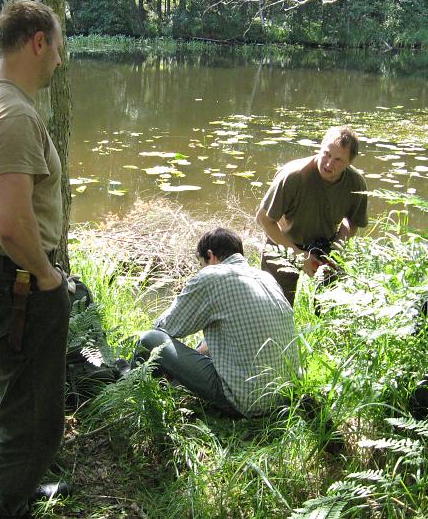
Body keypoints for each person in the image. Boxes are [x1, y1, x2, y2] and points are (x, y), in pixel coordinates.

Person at [0, 0, 70, 519]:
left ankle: (11, 489)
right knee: (34, 412)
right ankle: (5, 507)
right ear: (39, 42)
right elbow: (11, 222)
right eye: (59, 49)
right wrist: (46, 276)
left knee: (12, 392)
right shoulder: (14, 115)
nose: (59, 62)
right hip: (17, 280)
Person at [135, 228, 299, 417]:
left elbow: (165, 327)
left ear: (210, 255)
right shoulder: (266, 277)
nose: (200, 269)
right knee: (204, 344)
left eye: (200, 263)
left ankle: (129, 382)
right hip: (287, 396)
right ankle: (169, 383)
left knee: (151, 338)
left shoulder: (212, 275)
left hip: (248, 401)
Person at [256, 125, 368, 305]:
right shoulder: (293, 176)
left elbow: (353, 221)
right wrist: (299, 256)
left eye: (338, 160)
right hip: (283, 243)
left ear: (349, 162)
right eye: (327, 154)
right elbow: (264, 219)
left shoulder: (356, 184)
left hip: (326, 247)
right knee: (274, 308)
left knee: (330, 308)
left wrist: (337, 250)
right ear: (320, 147)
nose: (329, 164)